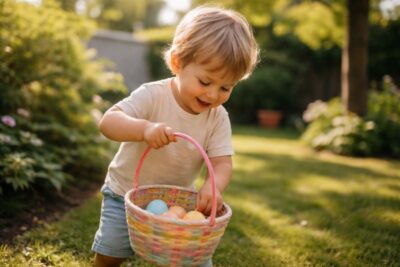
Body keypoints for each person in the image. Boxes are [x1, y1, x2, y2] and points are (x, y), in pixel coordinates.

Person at [91, 5, 259, 267]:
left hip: (176, 202)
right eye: (205, 82)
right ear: (178, 63)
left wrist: (212, 187)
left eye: (226, 87)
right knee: (111, 254)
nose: (213, 95)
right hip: (124, 194)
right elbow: (108, 122)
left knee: (194, 259)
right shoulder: (153, 95)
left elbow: (222, 162)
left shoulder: (217, 117)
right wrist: (144, 129)